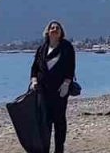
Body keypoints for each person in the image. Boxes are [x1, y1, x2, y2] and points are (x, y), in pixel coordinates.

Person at [30, 20, 77, 153]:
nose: (54, 29)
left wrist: (66, 84)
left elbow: (71, 66)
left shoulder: (67, 47)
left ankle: (59, 149)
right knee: (45, 122)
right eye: (52, 28)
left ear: (61, 32)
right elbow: (34, 68)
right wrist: (34, 81)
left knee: (59, 121)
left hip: (60, 90)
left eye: (57, 28)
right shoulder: (42, 48)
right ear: (48, 31)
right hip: (43, 91)